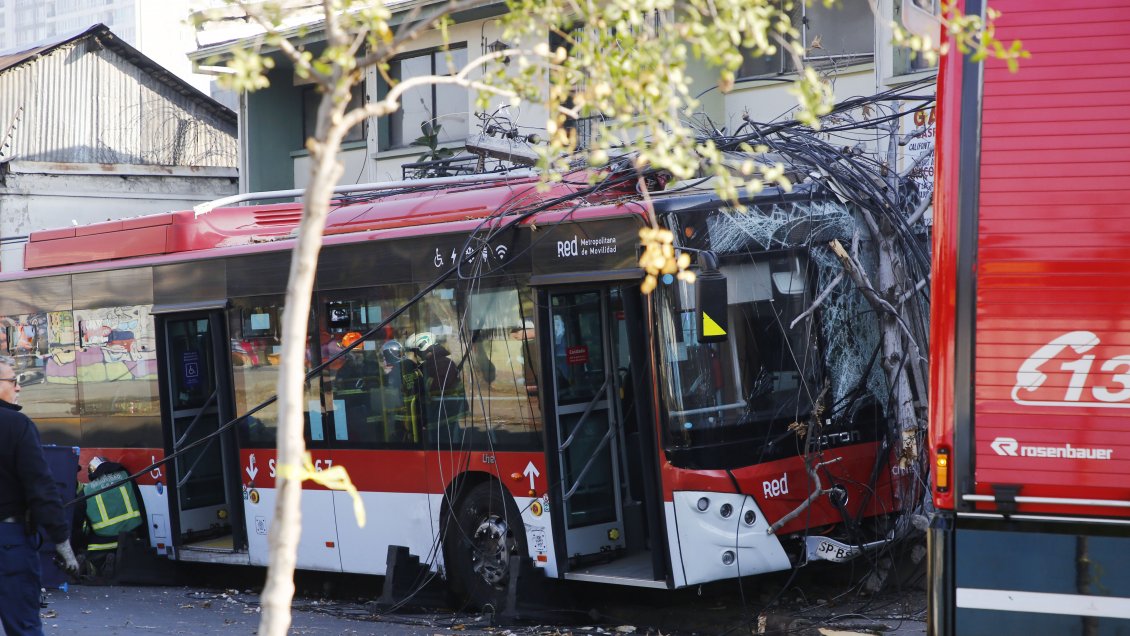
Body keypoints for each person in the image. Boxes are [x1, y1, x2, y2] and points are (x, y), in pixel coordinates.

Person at [0, 359, 79, 636]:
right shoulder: (16, 425)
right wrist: (61, 540)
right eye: (13, 381)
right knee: (24, 627)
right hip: (8, 542)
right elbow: (41, 487)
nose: (18, 388)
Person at [78, 456, 143, 577]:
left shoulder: (86, 491)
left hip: (102, 542)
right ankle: (110, 560)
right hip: (129, 536)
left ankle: (91, 563)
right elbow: (140, 503)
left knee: (90, 550)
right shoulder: (125, 475)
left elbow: (84, 527)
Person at [406, 332, 466, 437]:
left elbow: (431, 391)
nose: (417, 356)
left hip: (439, 417)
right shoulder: (443, 362)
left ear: (424, 349)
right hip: (447, 413)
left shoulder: (435, 365)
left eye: (416, 352)